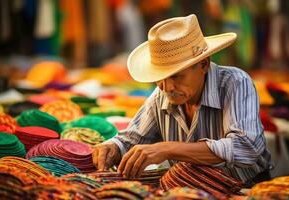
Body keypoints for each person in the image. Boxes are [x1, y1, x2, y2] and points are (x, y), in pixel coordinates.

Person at [92, 14, 271, 186]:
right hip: (191, 190)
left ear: (204, 65)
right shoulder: (161, 94)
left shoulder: (235, 83)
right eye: (160, 77)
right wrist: (113, 147)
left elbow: (246, 147)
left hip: (247, 187)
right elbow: (133, 138)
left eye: (177, 76)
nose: (166, 87)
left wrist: (167, 149)